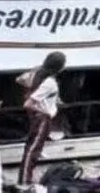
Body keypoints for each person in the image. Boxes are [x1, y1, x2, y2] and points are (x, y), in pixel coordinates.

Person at [16, 51, 67, 185]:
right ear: (60, 67)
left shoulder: (36, 72)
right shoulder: (49, 82)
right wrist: (42, 109)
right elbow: (28, 103)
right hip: (42, 117)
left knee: (32, 147)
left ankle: (25, 178)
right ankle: (24, 181)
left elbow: (19, 79)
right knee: (33, 150)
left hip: (36, 116)